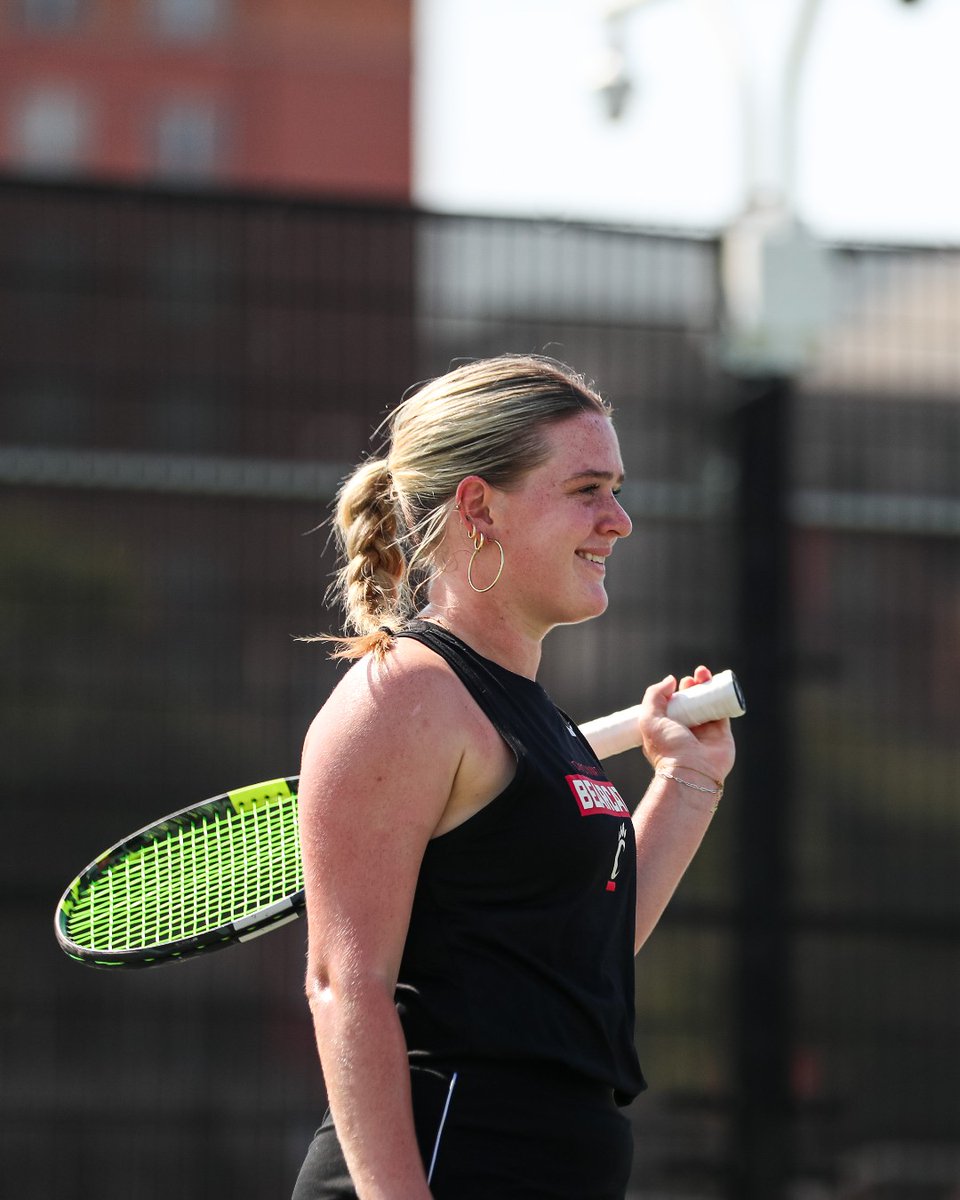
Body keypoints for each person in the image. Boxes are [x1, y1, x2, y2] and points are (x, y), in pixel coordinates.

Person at [291, 354, 736, 1200]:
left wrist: (688, 782)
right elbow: (344, 986)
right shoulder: (407, 697)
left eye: (616, 488)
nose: (620, 520)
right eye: (586, 489)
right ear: (477, 506)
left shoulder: (533, 716)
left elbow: (575, 953)